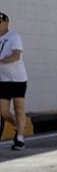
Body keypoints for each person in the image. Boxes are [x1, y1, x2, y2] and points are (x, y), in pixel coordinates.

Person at [0, 12, 29, 151]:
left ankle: (20, 138)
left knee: (19, 108)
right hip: (3, 80)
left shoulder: (14, 37)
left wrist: (0, 62)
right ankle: (18, 126)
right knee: (3, 111)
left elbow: (16, 56)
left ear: (6, 23)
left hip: (18, 79)